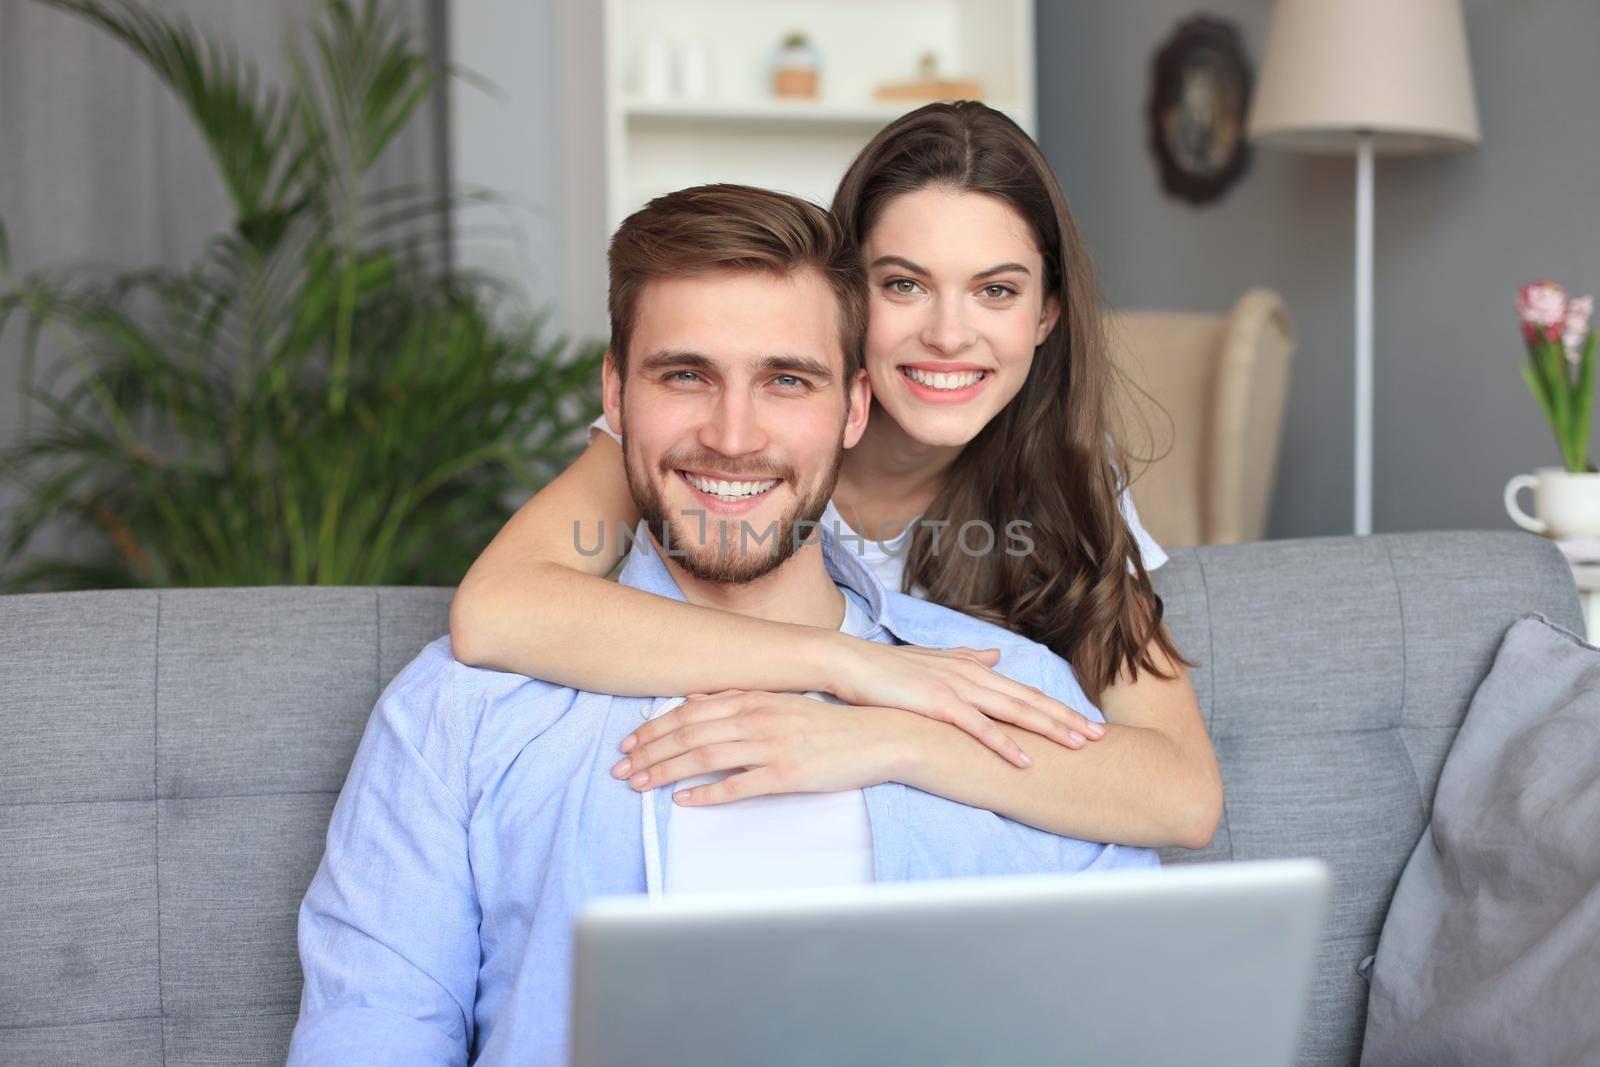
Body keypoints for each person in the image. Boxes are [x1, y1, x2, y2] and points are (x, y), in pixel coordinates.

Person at [287, 185, 1156, 1066]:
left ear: (855, 407)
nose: (733, 435)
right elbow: (368, 1034)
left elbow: (1140, 1020)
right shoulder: (460, 714)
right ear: (616, 394)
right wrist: (847, 666)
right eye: (686, 374)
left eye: (786, 379)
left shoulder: (1010, 693)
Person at [449, 102, 1221, 849]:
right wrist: (852, 663)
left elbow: (1182, 793)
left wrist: (897, 737)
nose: (949, 335)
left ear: (1046, 314)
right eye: (904, 284)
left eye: (996, 290)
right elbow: (498, 611)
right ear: (847, 300)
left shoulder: (1062, 472)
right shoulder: (738, 440)